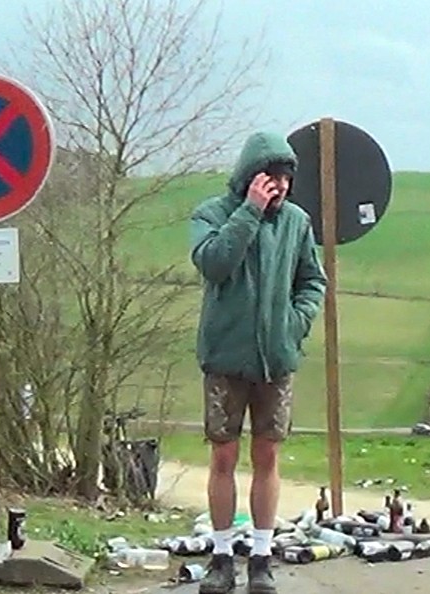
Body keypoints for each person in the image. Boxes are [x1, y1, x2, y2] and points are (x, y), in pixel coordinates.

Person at [188, 130, 327, 594]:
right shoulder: (212, 213)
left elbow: (313, 280)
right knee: (223, 454)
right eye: (270, 177)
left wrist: (296, 321)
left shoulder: (297, 223)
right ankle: (222, 555)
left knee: (267, 453)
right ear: (250, 176)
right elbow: (213, 264)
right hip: (225, 358)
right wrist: (248, 212)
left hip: (277, 357)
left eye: (285, 179)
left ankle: (262, 557)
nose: (279, 187)